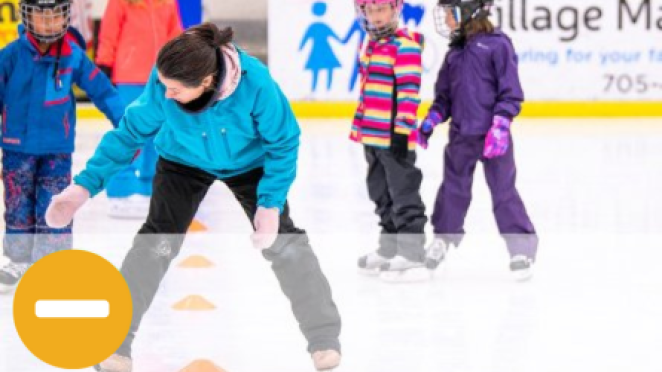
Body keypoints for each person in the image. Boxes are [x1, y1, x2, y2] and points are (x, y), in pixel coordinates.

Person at [45, 23, 342, 372]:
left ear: (205, 83)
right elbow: (129, 134)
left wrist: (270, 203)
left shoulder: (256, 84)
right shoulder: (164, 84)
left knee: (285, 243)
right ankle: (114, 342)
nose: (165, 94)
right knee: (155, 244)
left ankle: (323, 339)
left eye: (174, 90)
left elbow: (284, 141)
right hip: (182, 160)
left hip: (248, 163)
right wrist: (84, 187)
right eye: (163, 85)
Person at [0, 0, 124, 293]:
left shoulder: (72, 55)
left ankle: (52, 264)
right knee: (18, 205)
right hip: (17, 147)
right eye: (43, 17)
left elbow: (103, 91)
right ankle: (18, 259)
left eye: (56, 16)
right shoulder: (11, 56)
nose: (50, 23)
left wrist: (125, 123)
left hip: (57, 149)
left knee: (55, 204)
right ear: (28, 18)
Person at [419, 0, 538, 281]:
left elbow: (511, 90)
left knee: (503, 191)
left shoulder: (498, 45)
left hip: (493, 137)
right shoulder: (454, 55)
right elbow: (444, 98)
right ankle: (443, 239)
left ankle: (521, 249)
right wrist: (431, 120)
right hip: (462, 136)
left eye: (450, 13)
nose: (446, 20)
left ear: (468, 12)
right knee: (452, 190)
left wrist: (501, 123)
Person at [350, 0, 429, 281]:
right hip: (371, 133)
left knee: (403, 191)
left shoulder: (404, 45)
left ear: (395, 10)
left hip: (393, 136)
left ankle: (413, 252)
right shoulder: (370, 43)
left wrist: (402, 129)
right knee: (380, 192)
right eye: (370, 11)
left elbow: (409, 91)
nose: (376, 16)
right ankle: (389, 247)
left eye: (381, 9)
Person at [96, 0, 182, 218]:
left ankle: (149, 188)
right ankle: (120, 190)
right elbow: (109, 31)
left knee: (158, 136)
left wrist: (182, 67)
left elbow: (175, 36)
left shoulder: (167, 3)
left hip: (161, 79)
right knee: (128, 134)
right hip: (128, 77)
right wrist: (104, 62)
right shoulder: (121, 2)